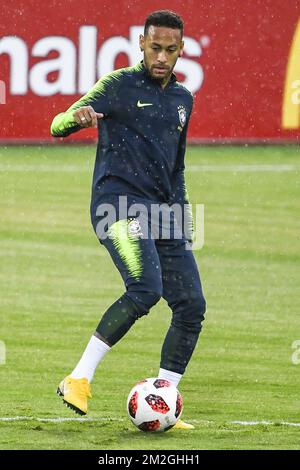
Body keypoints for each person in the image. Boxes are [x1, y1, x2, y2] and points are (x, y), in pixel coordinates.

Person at [51, 9, 206, 430]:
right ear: (141, 43)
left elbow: (177, 165)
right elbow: (57, 124)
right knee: (145, 289)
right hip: (116, 205)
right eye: (155, 47)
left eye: (170, 50)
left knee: (191, 305)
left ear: (181, 50)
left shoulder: (182, 99)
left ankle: (165, 398)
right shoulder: (117, 86)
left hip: (165, 210)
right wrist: (76, 119)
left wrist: (181, 215)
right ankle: (77, 379)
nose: (161, 56)